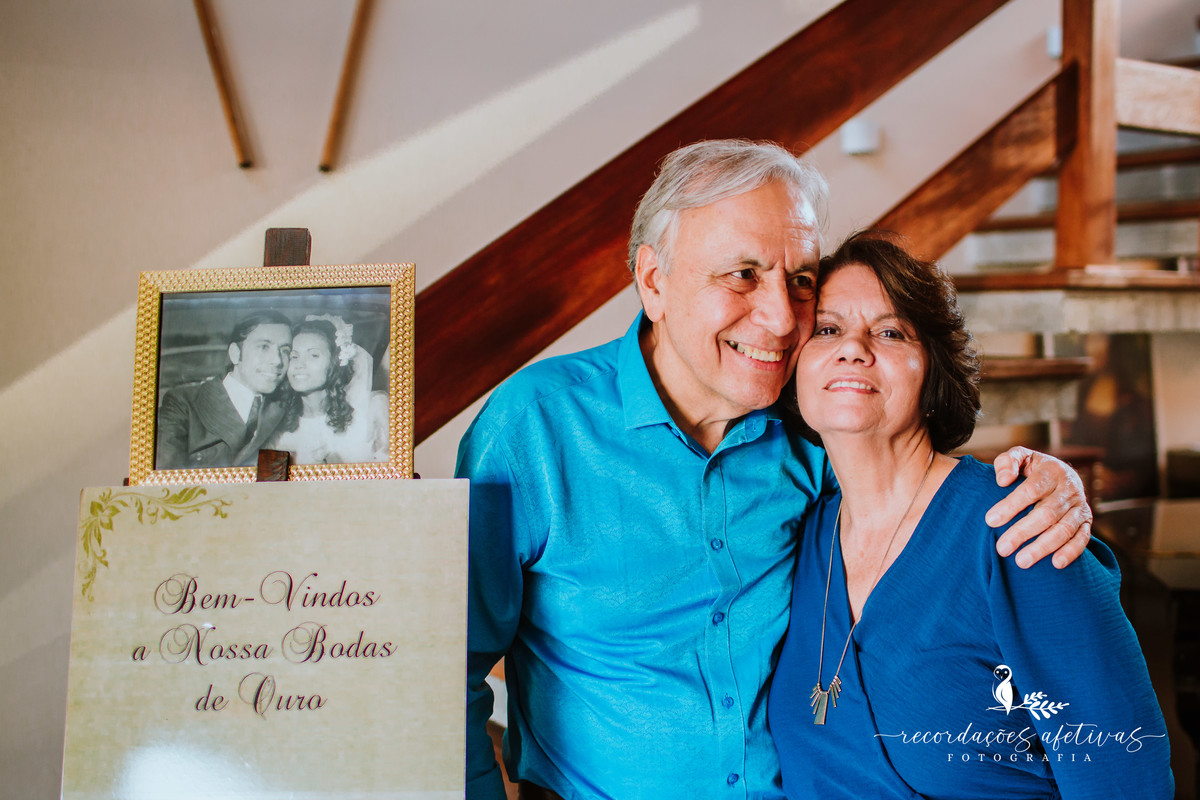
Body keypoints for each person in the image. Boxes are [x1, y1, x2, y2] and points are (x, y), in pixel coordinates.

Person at [460, 139, 1095, 800]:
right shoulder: (533, 426)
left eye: (799, 280)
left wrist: (1048, 479)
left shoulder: (812, 425)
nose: (782, 318)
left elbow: (912, 495)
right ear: (654, 281)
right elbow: (450, 670)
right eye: (741, 275)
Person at [768, 231, 1172, 798]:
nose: (853, 348)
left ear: (933, 374)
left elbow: (1126, 777)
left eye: (890, 332)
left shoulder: (1020, 525)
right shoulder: (801, 534)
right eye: (828, 329)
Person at [156, 310, 292, 470]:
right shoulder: (184, 402)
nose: (277, 361)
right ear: (235, 353)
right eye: (263, 347)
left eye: (285, 351)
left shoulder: (286, 406)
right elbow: (166, 480)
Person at [268, 315, 388, 465]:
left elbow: (394, 480)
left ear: (334, 363)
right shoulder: (274, 426)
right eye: (294, 356)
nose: (299, 364)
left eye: (313, 355)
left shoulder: (372, 409)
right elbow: (270, 485)